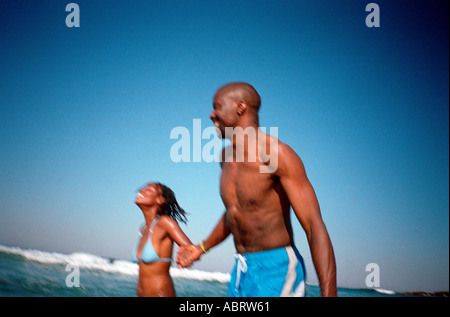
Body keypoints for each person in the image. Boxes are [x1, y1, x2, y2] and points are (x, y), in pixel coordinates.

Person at [176, 83, 337, 297]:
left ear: (240, 107)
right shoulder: (225, 158)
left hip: (277, 270)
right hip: (242, 270)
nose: (211, 114)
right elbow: (235, 212)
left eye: (217, 106)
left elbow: (314, 227)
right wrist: (200, 248)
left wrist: (329, 294)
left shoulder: (277, 154)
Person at [132, 182, 194, 297]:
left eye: (149, 189)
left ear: (160, 200)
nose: (141, 190)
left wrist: (185, 256)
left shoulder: (165, 223)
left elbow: (190, 249)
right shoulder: (143, 228)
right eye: (143, 188)